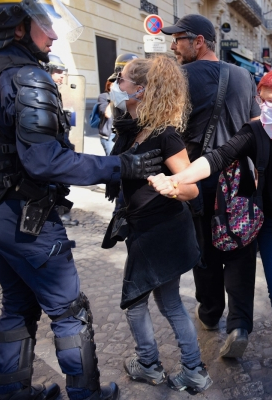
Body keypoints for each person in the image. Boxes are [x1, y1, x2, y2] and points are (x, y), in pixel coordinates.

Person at [0, 1, 164, 399]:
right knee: (70, 312)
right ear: (18, 28)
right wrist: (122, 166)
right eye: (44, 24)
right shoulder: (25, 77)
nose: (52, 34)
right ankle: (87, 395)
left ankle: (12, 394)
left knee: (18, 306)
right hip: (25, 218)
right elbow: (46, 161)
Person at [149, 67, 272, 384]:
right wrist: (180, 177)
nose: (265, 107)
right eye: (262, 101)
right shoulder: (255, 131)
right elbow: (217, 157)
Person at [104, 56, 212, 393]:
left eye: (121, 81)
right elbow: (113, 127)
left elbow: (192, 187)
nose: (116, 87)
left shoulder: (166, 136)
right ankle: (192, 370)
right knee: (169, 303)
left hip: (160, 233)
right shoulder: (137, 129)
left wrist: (172, 185)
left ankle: (149, 362)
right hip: (147, 230)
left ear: (141, 89)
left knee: (136, 302)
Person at [161, 14, 260, 359]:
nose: (173, 45)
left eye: (178, 39)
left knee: (204, 252)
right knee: (241, 249)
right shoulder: (245, 76)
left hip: (196, 179)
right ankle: (240, 324)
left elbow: (164, 132)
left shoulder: (179, 78)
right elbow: (255, 127)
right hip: (239, 180)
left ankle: (210, 314)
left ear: (198, 41)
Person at [97, 81, 114, 156]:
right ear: (109, 85)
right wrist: (114, 98)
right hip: (109, 135)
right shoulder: (104, 96)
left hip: (120, 135)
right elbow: (107, 114)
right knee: (111, 159)